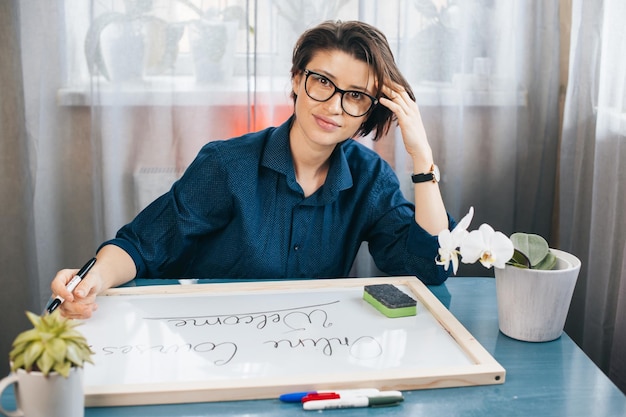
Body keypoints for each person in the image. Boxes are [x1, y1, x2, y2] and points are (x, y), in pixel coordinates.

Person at [51, 20, 455, 319]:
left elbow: (430, 269)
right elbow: (143, 244)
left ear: (371, 110)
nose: (334, 106)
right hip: (215, 341)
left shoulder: (370, 178)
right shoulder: (227, 165)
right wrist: (90, 282)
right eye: (322, 82)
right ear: (297, 79)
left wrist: (422, 158)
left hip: (314, 341)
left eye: (355, 96)